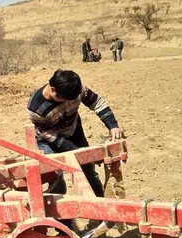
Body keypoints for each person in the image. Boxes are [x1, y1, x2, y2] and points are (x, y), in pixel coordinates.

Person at [27, 69, 123, 197]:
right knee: (55, 175)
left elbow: (97, 102)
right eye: (65, 100)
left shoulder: (75, 88)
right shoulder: (35, 108)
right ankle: (56, 205)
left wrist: (113, 126)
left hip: (73, 130)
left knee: (88, 170)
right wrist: (76, 150)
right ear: (53, 90)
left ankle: (99, 201)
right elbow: (48, 135)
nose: (68, 102)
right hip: (49, 140)